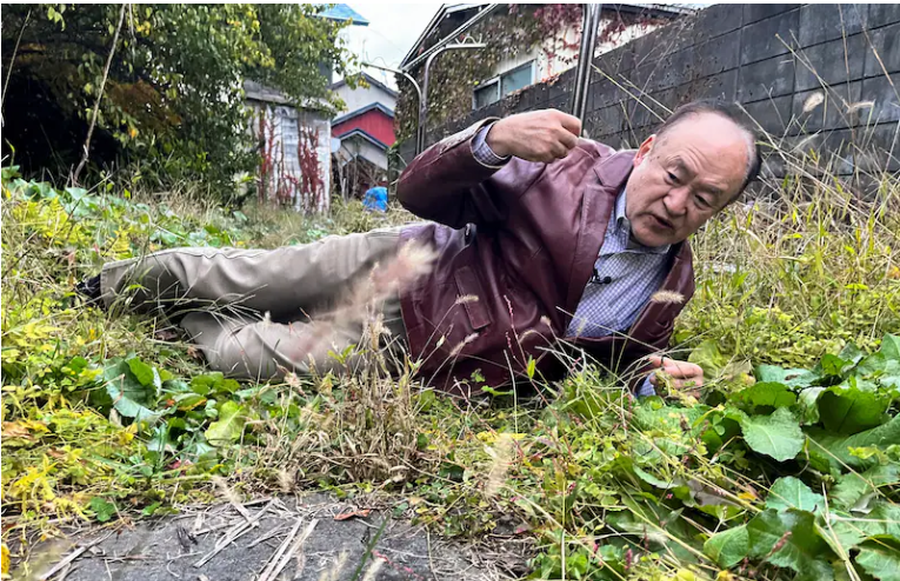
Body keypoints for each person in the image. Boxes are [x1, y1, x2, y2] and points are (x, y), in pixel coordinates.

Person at [80, 99, 760, 396]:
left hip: (418, 348)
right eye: (674, 177)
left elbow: (604, 367)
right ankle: (111, 286)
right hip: (407, 261)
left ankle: (181, 325)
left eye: (704, 200)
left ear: (721, 208)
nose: (677, 205)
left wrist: (645, 382)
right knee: (242, 276)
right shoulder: (567, 164)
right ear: (647, 150)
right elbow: (418, 191)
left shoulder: (670, 286)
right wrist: (490, 142)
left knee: (246, 357)